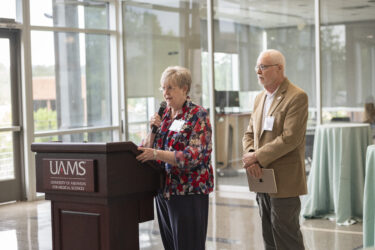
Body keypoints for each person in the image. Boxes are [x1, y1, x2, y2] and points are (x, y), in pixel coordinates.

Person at [136, 66, 214, 250]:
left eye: (170, 88)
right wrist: (152, 131)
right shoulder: (164, 115)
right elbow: (146, 148)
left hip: (188, 192)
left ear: (184, 89)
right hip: (165, 191)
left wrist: (157, 154)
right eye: (163, 88)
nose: (165, 93)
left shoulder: (197, 115)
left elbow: (192, 156)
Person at [242, 49, 308, 250]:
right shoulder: (259, 98)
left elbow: (290, 138)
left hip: (284, 180)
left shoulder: (297, 96)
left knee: (287, 236)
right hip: (261, 177)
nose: (258, 71)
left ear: (279, 68)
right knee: (268, 235)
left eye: (263, 67)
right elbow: (249, 133)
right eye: (257, 67)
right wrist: (252, 154)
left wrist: (257, 158)